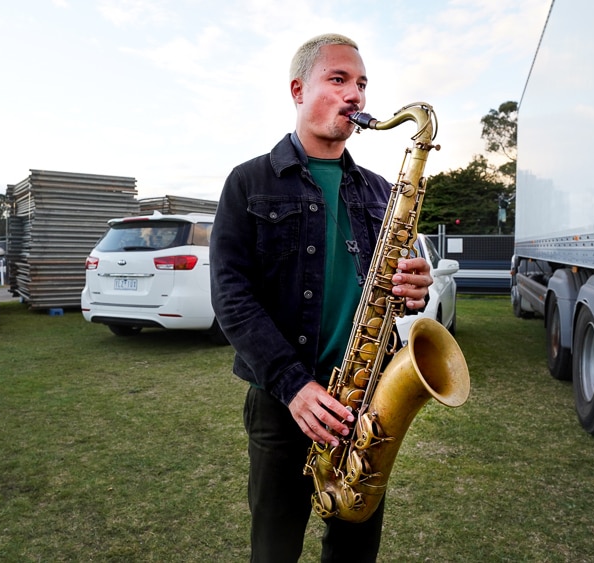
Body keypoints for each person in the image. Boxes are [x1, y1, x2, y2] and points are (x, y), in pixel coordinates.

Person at [209, 33, 434, 562]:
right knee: (274, 550)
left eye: (360, 83)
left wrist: (413, 292)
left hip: (365, 403)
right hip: (283, 401)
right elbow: (232, 298)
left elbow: (389, 293)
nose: (355, 94)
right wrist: (294, 386)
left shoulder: (381, 190)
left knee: (356, 550)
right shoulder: (249, 182)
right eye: (338, 80)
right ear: (297, 89)